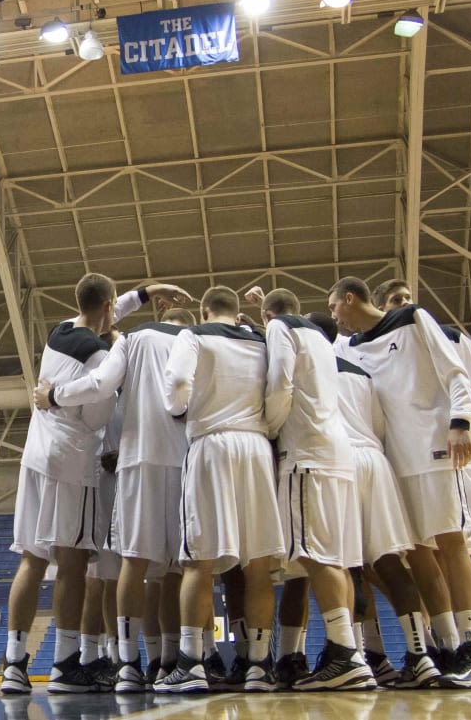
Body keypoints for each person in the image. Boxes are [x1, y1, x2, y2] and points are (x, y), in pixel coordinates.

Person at [330, 276, 471, 688]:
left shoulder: (419, 321)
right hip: (394, 459)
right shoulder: (349, 347)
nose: (404, 301)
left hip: (447, 449)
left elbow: (461, 378)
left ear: (349, 299)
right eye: (396, 297)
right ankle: (448, 648)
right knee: (418, 553)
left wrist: (460, 421)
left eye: (335, 306)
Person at [4, 275, 179, 695]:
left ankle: (13, 663)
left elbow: (103, 313)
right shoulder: (103, 356)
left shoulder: (59, 330)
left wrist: (142, 294)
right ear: (108, 305)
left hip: (34, 456)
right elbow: (97, 417)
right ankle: (66, 665)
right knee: (73, 562)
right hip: (71, 463)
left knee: (31, 560)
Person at [35, 306, 196, 692]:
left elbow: (98, 381)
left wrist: (55, 394)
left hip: (134, 467)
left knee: (129, 566)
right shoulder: (197, 340)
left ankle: (129, 663)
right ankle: (181, 660)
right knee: (185, 569)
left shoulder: (131, 341)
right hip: (186, 461)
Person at [156, 286, 286, 694]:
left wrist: (178, 409)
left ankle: (192, 663)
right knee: (258, 565)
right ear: (234, 311)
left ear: (204, 309)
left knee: (200, 561)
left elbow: (177, 380)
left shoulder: (192, 335)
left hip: (212, 443)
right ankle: (259, 666)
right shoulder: (262, 341)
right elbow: (282, 388)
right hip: (256, 445)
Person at [307, 310, 444, 689]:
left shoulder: (306, 367)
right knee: (389, 564)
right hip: (375, 460)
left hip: (337, 462)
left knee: (343, 567)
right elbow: (381, 425)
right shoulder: (361, 372)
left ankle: (353, 656)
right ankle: (420, 656)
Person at [256, 289, 372, 691]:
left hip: (305, 453)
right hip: (337, 453)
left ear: (268, 314)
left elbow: (279, 383)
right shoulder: (323, 340)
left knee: (312, 556)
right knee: (334, 558)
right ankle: (346, 651)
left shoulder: (279, 327)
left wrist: (267, 428)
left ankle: (344, 654)